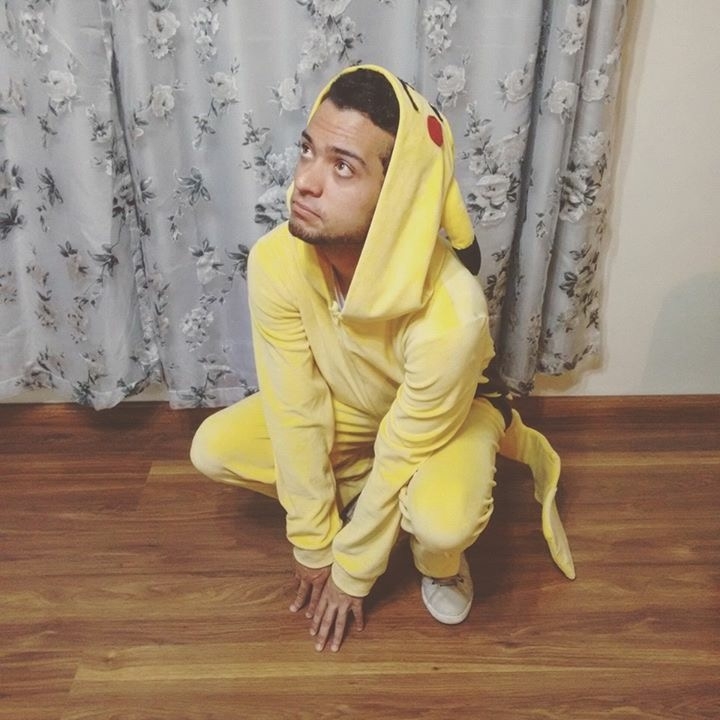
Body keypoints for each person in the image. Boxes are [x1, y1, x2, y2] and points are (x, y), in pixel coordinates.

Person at [191, 64, 574, 653]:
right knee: (214, 449)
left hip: (448, 421)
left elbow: (403, 450)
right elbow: (295, 407)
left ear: (397, 195)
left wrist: (352, 570)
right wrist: (313, 542)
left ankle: (438, 562)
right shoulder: (276, 259)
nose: (305, 183)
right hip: (357, 410)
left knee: (441, 522)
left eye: (342, 166)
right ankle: (373, 502)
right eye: (307, 151)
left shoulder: (452, 312)